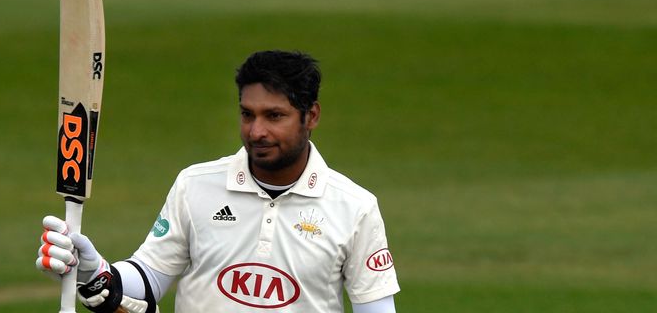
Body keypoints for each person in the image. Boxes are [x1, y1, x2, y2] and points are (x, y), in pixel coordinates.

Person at [37, 50, 400, 312]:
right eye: (248, 114)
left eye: (275, 116)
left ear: (312, 116)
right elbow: (149, 279)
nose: (257, 131)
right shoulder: (196, 186)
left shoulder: (354, 207)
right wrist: (95, 270)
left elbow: (376, 308)